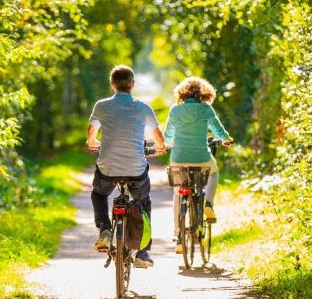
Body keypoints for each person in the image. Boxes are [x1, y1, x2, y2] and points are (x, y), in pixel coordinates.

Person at [86, 65, 166, 268]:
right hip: (136, 170)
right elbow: (158, 137)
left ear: (112, 84)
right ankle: (143, 252)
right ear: (133, 84)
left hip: (108, 168)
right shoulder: (143, 107)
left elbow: (91, 131)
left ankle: (104, 228)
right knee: (143, 202)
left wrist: (92, 143)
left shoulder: (101, 106)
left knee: (99, 193)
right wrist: (161, 148)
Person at [163, 76, 233, 251]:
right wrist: (226, 139)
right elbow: (218, 130)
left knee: (178, 192)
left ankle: (179, 237)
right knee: (214, 172)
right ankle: (208, 204)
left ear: (182, 93)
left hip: (178, 158)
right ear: (203, 93)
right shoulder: (205, 109)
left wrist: (167, 144)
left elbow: (168, 135)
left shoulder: (175, 110)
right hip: (201, 157)